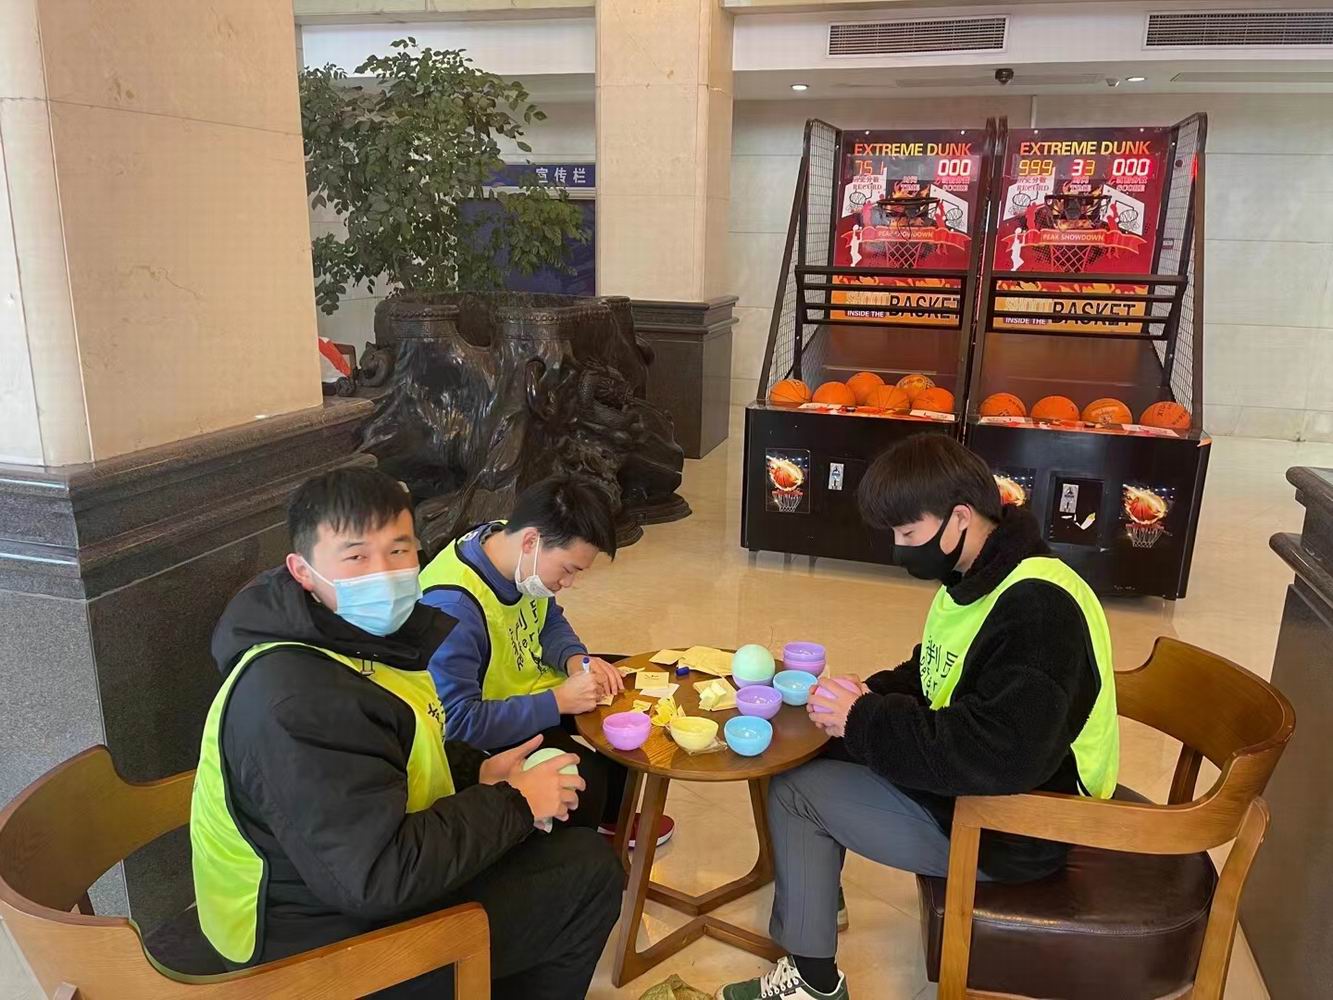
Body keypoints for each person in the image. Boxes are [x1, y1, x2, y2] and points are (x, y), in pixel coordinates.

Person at [190, 467, 621, 1000]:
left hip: (346, 883)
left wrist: (478, 772)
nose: (385, 573)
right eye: (356, 557)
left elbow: (408, 737)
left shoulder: (366, 636)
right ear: (303, 570)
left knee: (570, 838)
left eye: (398, 551)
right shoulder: (294, 698)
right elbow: (374, 880)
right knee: (589, 877)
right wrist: (512, 803)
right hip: (308, 947)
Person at [717, 435, 1119, 1000]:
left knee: (794, 791)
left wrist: (864, 719)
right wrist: (866, 696)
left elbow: (996, 754)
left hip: (1018, 824)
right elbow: (934, 672)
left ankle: (812, 983)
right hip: (985, 783)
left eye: (908, 533)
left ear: (961, 518)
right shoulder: (982, 573)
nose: (899, 548)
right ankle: (817, 898)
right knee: (806, 744)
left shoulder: (1039, 610)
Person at [420, 474, 674, 847]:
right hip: (489, 723)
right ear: (531, 542)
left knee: (625, 688)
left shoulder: (513, 546)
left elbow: (548, 619)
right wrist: (557, 702)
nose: (569, 583)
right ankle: (583, 842)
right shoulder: (453, 607)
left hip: (532, 682)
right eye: (569, 569)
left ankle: (614, 817)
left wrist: (575, 659)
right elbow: (458, 723)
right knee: (585, 779)